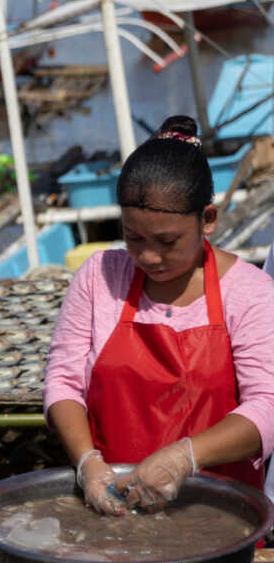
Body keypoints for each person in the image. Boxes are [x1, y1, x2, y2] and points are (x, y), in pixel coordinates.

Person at [45, 116, 274, 516]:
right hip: (113, 508)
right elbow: (63, 383)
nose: (149, 257)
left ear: (208, 220)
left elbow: (267, 406)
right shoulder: (99, 277)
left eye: (168, 242)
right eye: (134, 238)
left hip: (219, 513)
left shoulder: (251, 292)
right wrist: (88, 463)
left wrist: (184, 457)